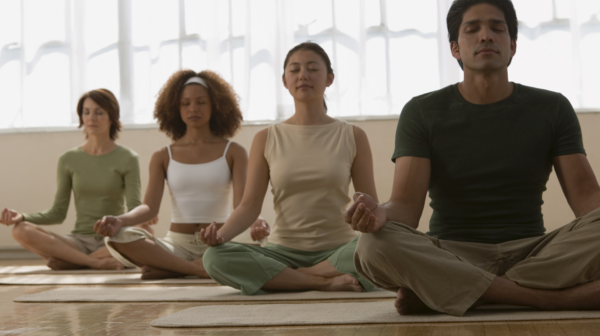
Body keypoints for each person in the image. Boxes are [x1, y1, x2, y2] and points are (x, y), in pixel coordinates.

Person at [345, 0, 600, 316]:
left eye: (498, 28)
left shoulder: (552, 107)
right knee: (372, 246)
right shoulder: (423, 111)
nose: (486, 36)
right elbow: (406, 209)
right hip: (450, 253)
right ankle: (547, 298)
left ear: (513, 46)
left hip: (534, 253)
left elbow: (587, 200)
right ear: (455, 48)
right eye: (472, 29)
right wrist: (379, 213)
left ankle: (463, 292)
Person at [200, 42, 378, 295]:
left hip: (340, 250)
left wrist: (374, 229)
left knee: (381, 248)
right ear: (284, 81)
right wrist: (220, 236)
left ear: (329, 78)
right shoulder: (266, 137)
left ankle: (288, 279)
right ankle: (322, 281)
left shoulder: (352, 135)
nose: (303, 75)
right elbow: (249, 206)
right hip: (282, 252)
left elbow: (369, 204)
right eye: (295, 70)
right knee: (214, 258)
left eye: (312, 68)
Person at [94, 70, 258, 280]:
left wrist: (257, 221)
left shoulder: (234, 151)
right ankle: (197, 269)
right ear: (175, 108)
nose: (193, 109)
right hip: (177, 245)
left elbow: (242, 204)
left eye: (201, 102)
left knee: (263, 245)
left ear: (215, 105)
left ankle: (172, 268)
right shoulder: (163, 156)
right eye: (185, 103)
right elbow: (149, 208)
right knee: (117, 237)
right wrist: (119, 220)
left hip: (220, 242)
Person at [0, 89, 146, 270]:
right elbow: (58, 212)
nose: (91, 118)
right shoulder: (68, 159)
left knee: (147, 231)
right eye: (86, 112)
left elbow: (134, 209)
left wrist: (144, 217)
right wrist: (22, 216)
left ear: (112, 117)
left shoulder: (129, 158)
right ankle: (93, 262)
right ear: (81, 117)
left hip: (114, 239)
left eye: (99, 112)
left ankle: (72, 261)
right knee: (20, 230)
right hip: (77, 241)